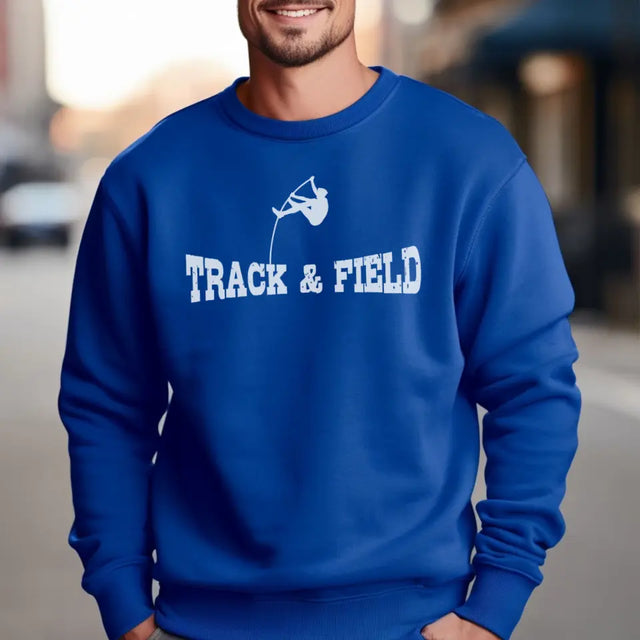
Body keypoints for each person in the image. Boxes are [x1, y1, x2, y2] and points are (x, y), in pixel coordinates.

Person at [57, 1, 582, 640]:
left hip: (414, 622)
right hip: (201, 622)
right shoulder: (149, 180)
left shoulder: (468, 160)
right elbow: (105, 404)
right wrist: (122, 597)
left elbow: (533, 387)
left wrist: (496, 601)